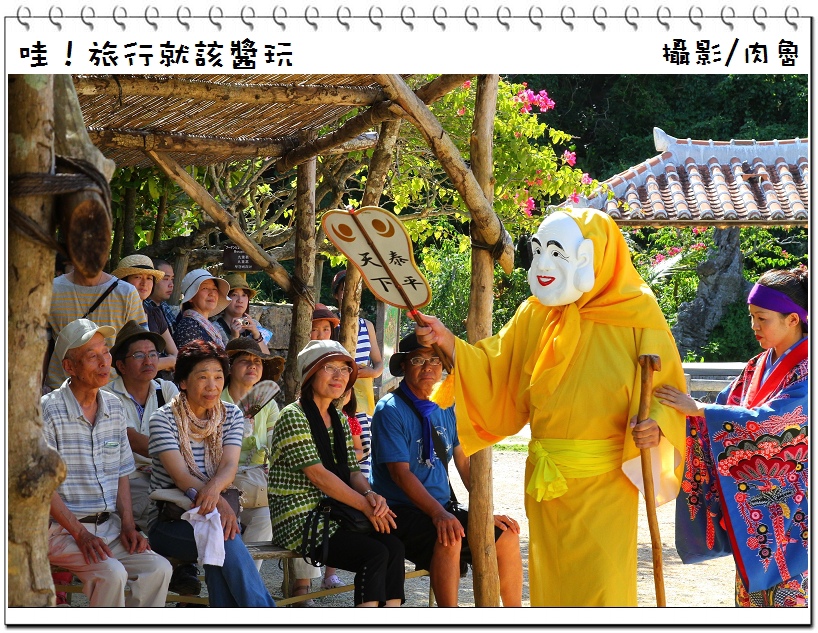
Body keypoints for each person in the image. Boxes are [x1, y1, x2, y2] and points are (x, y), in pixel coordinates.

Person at [415, 208, 688, 606]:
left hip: (605, 482)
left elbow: (667, 394)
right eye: (539, 251)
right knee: (551, 587)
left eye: (557, 254)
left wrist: (657, 426)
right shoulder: (536, 314)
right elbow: (497, 367)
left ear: (593, 256)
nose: (543, 265)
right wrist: (448, 342)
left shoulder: (637, 314)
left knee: (603, 587)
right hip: (545, 479)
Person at [657, 266, 809, 607]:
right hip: (758, 509)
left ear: (793, 320)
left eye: (762, 318)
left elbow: (780, 420)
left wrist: (700, 410)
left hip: (799, 506)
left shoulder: (808, 369)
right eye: (752, 316)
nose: (754, 326)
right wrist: (670, 422)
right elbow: (722, 407)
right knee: (752, 598)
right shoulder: (757, 365)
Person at [372, 333, 523, 607]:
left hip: (441, 508)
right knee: (450, 536)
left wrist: (483, 512)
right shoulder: (389, 409)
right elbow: (400, 474)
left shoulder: (445, 406)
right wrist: (439, 514)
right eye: (418, 360)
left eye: (435, 360)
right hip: (398, 512)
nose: (428, 367)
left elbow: (463, 460)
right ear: (404, 366)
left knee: (506, 534)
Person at [43, 319, 172, 607]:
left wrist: (128, 526)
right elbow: (43, 487)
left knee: (158, 569)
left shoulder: (113, 405)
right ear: (69, 367)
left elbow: (123, 472)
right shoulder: (48, 410)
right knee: (112, 574)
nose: (104, 362)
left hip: (110, 527)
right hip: (62, 531)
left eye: (105, 352)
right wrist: (80, 533)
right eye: (92, 356)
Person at [268, 340, 405, 607]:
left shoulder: (340, 418)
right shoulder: (293, 416)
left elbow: (353, 472)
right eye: (329, 368)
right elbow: (318, 476)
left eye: (344, 370)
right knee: (374, 553)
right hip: (300, 519)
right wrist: (366, 507)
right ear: (310, 374)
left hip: (333, 513)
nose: (339, 376)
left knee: (394, 546)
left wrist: (371, 496)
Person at [147, 340, 276, 607]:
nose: (213, 385)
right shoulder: (163, 419)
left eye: (218, 377)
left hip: (214, 516)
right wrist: (222, 507)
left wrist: (215, 499)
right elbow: (182, 477)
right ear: (182, 382)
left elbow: (229, 466)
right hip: (171, 521)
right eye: (203, 377)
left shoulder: (231, 414)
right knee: (223, 538)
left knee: (218, 541)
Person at [221, 337, 285, 572]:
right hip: (220, 480)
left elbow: (273, 438)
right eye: (245, 360)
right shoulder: (216, 398)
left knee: (266, 517)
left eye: (258, 361)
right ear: (230, 367)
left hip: (256, 482)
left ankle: (246, 580)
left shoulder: (268, 404)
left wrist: (275, 453)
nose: (253, 365)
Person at [45, 258, 146, 391]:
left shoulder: (127, 293)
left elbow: (140, 348)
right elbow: (40, 347)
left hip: (111, 391)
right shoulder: (50, 289)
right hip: (59, 390)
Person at [332, 270, 384, 479]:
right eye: (344, 290)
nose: (349, 295)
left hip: (362, 395)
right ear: (336, 295)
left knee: (364, 445)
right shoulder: (331, 324)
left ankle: (364, 490)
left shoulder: (367, 325)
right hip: (336, 393)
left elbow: (379, 363)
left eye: (354, 290)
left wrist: (371, 371)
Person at [112, 254, 177, 373]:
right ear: (124, 281)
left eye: (149, 278)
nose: (144, 283)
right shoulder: (115, 314)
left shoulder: (154, 313)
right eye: (137, 277)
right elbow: (125, 364)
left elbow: (175, 355)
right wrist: (167, 361)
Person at [213, 272, 273, 354]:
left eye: (244, 295)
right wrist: (234, 337)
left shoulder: (255, 324)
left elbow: (266, 358)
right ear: (224, 299)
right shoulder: (215, 329)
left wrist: (256, 334)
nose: (240, 300)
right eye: (234, 295)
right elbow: (222, 363)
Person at [172, 269, 232, 349]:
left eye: (215, 289)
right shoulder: (189, 327)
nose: (212, 293)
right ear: (191, 297)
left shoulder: (206, 326)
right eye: (205, 288)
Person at [150, 259, 180, 338]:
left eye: (172, 279)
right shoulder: (145, 309)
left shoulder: (163, 305)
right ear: (151, 279)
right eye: (166, 279)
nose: (171, 285)